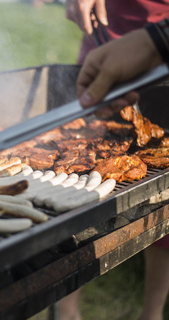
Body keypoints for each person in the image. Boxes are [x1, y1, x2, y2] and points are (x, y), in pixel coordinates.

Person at [56, 2, 169, 320]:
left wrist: (158, 40)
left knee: (165, 201)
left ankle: (152, 313)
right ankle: (66, 311)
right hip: (107, 29)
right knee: (78, 191)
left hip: (162, 32)